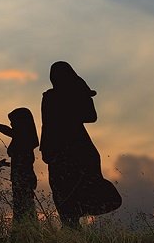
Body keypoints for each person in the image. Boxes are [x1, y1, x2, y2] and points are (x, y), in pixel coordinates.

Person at [40, 61, 122, 228]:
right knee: (64, 191)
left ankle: (71, 227)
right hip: (67, 149)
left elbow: (90, 116)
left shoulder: (53, 96)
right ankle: (71, 230)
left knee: (71, 190)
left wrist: (81, 92)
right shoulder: (55, 96)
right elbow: (48, 124)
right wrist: (81, 90)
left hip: (70, 149)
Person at [0, 107, 39, 222]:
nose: (11, 124)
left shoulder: (23, 138)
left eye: (13, 121)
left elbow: (9, 131)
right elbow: (10, 131)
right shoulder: (24, 138)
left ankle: (25, 232)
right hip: (21, 179)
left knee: (23, 209)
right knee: (24, 208)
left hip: (22, 179)